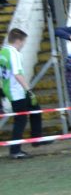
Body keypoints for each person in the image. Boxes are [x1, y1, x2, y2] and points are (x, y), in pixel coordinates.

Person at [1, 28, 44, 159]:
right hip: (17, 91)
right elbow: (17, 74)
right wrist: (28, 90)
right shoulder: (14, 54)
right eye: (24, 41)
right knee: (21, 119)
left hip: (11, 89)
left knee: (36, 110)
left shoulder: (3, 51)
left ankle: (36, 138)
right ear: (19, 41)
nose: (24, 44)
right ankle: (15, 150)